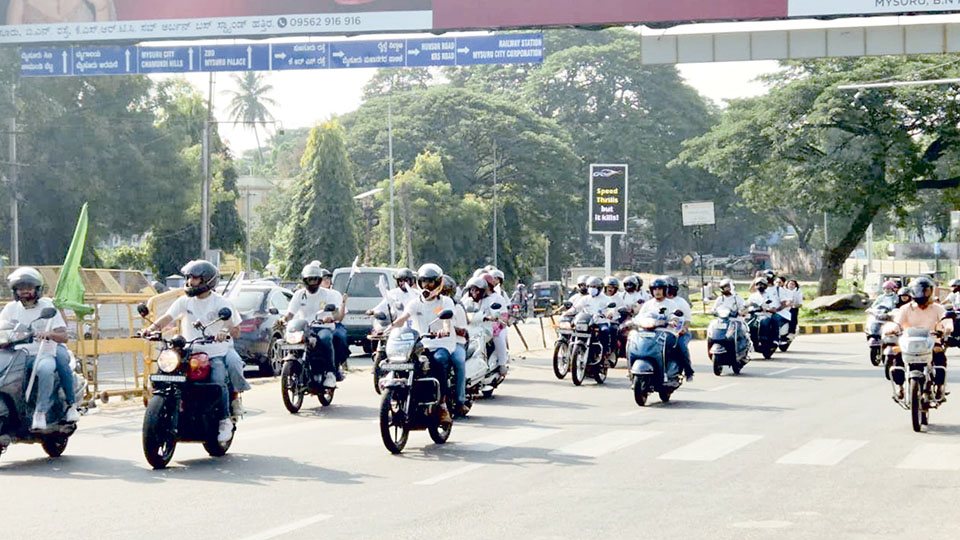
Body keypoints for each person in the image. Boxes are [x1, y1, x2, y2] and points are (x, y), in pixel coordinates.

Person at [144, 260, 246, 443]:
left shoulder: (222, 303)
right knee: (163, 373)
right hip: (187, 351)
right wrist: (150, 329)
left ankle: (224, 420)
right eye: (189, 278)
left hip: (214, 353)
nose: (190, 282)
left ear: (207, 280)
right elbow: (168, 317)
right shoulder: (184, 301)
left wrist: (225, 331)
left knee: (217, 380)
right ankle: (158, 411)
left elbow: (236, 329)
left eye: (195, 278)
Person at [0, 267, 79, 431]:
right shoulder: (10, 308)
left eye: (29, 287)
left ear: (37, 289)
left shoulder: (47, 306)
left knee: (46, 368)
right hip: (16, 354)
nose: (25, 292)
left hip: (43, 353)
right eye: (20, 288)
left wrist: (48, 333)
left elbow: (63, 336)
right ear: (15, 290)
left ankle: (40, 412)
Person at [391, 263, 456, 423]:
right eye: (424, 282)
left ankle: (442, 405)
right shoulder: (415, 302)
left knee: (439, 362)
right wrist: (388, 329)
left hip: (441, 344)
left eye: (430, 282)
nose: (427, 286)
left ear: (438, 283)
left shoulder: (445, 302)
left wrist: (444, 330)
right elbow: (403, 318)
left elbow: (446, 321)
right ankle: (397, 397)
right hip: (419, 344)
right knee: (399, 363)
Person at [891, 277, 952, 400]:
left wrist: (948, 327)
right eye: (919, 290)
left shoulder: (937, 308)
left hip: (932, 341)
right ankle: (900, 387)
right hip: (909, 343)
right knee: (897, 358)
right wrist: (892, 328)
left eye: (926, 291)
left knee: (940, 359)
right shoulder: (905, 308)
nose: (923, 294)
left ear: (931, 291)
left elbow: (946, 320)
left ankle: (940, 387)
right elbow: (897, 322)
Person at [284, 263, 342, 389]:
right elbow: (290, 313)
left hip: (323, 327)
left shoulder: (328, 294)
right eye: (310, 280)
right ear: (305, 280)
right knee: (291, 341)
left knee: (326, 339)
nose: (313, 283)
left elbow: (337, 313)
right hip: (304, 327)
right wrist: (282, 320)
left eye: (315, 279)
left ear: (319, 280)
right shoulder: (299, 294)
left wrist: (330, 318)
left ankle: (330, 373)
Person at [442, 275, 469, 417]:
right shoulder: (429, 305)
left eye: (444, 292)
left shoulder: (457, 307)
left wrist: (449, 328)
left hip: (455, 342)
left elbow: (463, 331)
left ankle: (460, 401)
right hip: (433, 343)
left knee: (458, 361)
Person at [664, 276, 694, 381]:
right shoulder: (656, 302)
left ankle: (688, 371)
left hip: (678, 333)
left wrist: (684, 329)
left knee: (681, 347)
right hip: (662, 332)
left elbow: (687, 320)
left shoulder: (681, 302)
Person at [7, 0, 115, 24]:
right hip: (34, 78)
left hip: (86, 78)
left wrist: (101, 9)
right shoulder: (19, 2)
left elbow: (106, 49)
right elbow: (11, 54)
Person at [748, 277, 785, 346]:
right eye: (758, 284)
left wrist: (767, 309)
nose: (760, 286)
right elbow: (747, 305)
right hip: (753, 315)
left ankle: (770, 339)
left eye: (762, 285)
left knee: (765, 321)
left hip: (765, 314)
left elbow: (773, 307)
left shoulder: (769, 296)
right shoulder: (753, 296)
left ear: (765, 286)